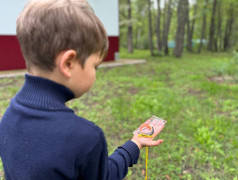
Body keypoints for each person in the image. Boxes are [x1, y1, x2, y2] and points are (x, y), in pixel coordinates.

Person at [0, 0, 164, 179]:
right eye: (95, 66)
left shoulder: (8, 118)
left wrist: (135, 143)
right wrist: (134, 146)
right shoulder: (85, 138)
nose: (95, 74)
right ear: (68, 64)